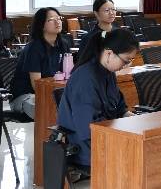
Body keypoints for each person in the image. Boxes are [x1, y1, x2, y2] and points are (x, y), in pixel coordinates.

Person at [57, 28, 138, 168]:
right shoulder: (85, 78)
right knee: (138, 154)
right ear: (109, 53)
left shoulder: (108, 73)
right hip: (87, 144)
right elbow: (88, 127)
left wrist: (137, 120)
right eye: (125, 61)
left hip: (106, 134)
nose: (126, 66)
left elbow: (120, 108)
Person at [10, 7, 68, 119]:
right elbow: (37, 86)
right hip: (26, 96)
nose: (57, 22)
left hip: (52, 93)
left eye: (59, 18)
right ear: (41, 25)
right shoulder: (34, 48)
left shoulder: (63, 45)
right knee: (49, 110)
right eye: (52, 19)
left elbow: (68, 75)